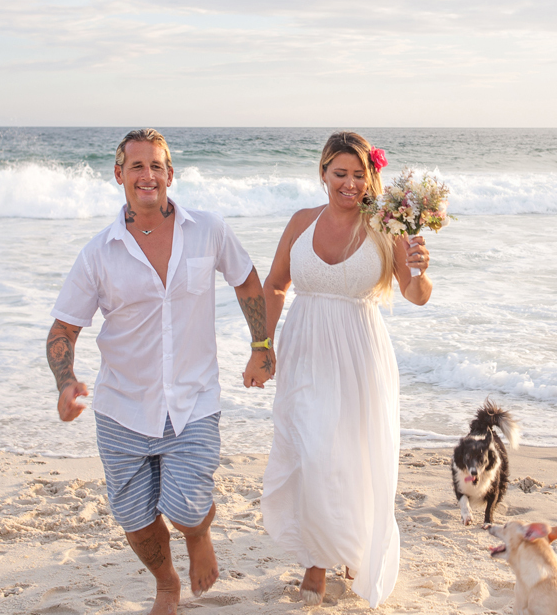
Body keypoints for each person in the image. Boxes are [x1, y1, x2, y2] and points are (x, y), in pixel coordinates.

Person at [45, 129, 276, 615]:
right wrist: (66, 383)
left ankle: (198, 534)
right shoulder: (98, 253)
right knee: (134, 518)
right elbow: (64, 328)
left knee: (187, 506)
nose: (147, 175)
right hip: (121, 408)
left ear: (170, 174)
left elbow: (247, 281)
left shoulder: (208, 229)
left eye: (156, 166)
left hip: (193, 401)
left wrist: (260, 345)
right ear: (119, 175)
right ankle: (166, 583)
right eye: (136, 166)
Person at [259, 131, 432, 608]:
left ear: (370, 177)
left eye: (359, 174)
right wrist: (262, 346)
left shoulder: (386, 227)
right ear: (323, 174)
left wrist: (418, 269)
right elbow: (275, 285)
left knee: (355, 456)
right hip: (305, 349)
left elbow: (415, 295)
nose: (350, 184)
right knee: (312, 453)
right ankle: (317, 562)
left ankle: (352, 547)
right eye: (340, 173)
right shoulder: (301, 221)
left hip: (359, 352)